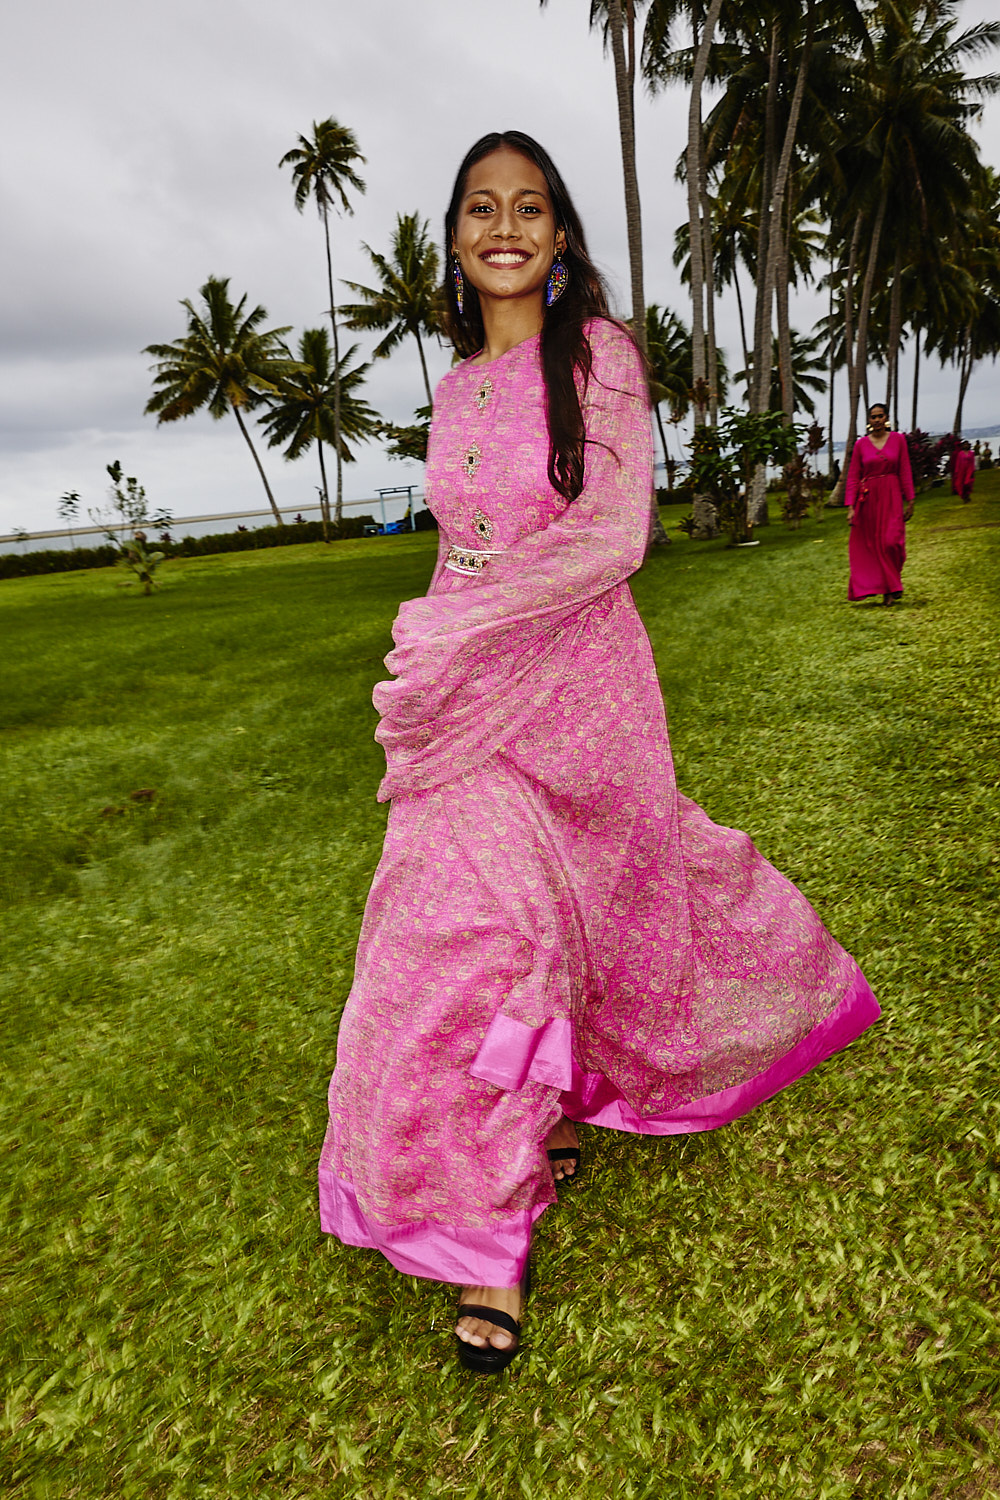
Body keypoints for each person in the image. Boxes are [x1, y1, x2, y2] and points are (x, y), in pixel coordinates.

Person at [317, 131, 881, 1374]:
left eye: (529, 208)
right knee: (457, 943)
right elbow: (458, 543)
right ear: (455, 240)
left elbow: (612, 536)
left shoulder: (600, 356)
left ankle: (554, 1104)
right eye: (480, 208)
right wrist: (434, 662)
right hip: (466, 705)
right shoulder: (458, 381)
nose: (504, 226)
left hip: (579, 692)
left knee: (592, 910)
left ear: (561, 236)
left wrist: (451, 623)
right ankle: (489, 1229)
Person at [844, 403, 915, 605]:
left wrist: (910, 500)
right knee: (873, 545)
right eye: (873, 417)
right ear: (868, 420)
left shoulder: (898, 440)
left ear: (886, 417)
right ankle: (890, 590)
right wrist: (851, 507)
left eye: (880, 416)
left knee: (892, 542)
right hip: (868, 500)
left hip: (891, 495)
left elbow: (905, 471)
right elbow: (853, 477)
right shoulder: (861, 445)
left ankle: (892, 583)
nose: (876, 420)